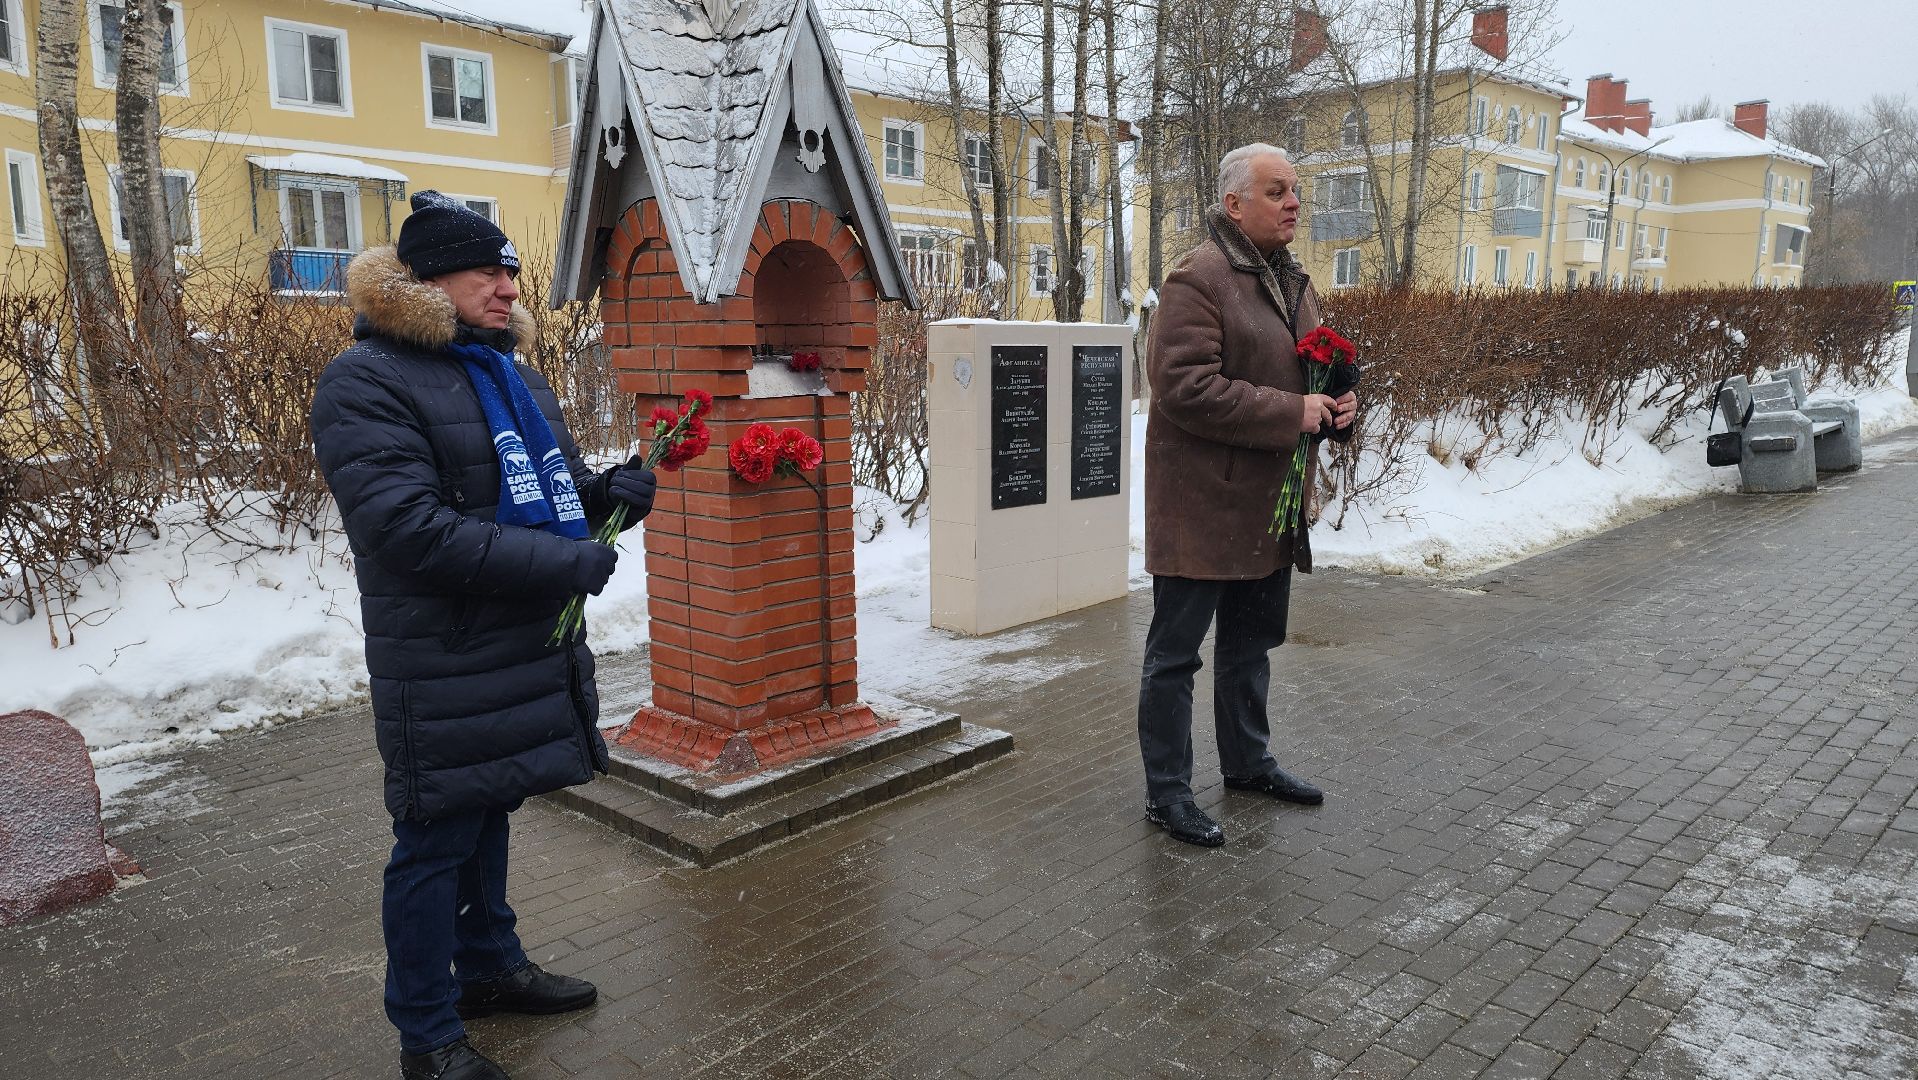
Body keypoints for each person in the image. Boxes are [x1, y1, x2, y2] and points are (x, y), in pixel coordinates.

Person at [311, 191, 659, 1080]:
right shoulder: (366, 379)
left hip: (518, 642)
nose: (508, 289)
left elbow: (544, 492)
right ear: (428, 282)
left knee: (490, 807)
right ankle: (427, 1035)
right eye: (486, 273)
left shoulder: (511, 375)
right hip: (443, 654)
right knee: (434, 839)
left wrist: (608, 496)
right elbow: (407, 529)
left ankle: (491, 968)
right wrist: (563, 563)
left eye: (511, 272)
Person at [1136, 144, 1357, 848]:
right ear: (1234, 205)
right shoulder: (1197, 278)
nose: (1294, 202)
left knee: (1249, 647)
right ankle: (1168, 793)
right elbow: (1184, 387)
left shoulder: (1292, 279)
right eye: (1277, 191)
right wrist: (1292, 412)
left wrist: (1337, 407)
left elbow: (1307, 374)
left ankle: (1247, 763)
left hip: (1267, 507)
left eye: (1295, 190)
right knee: (1176, 657)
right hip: (1202, 507)